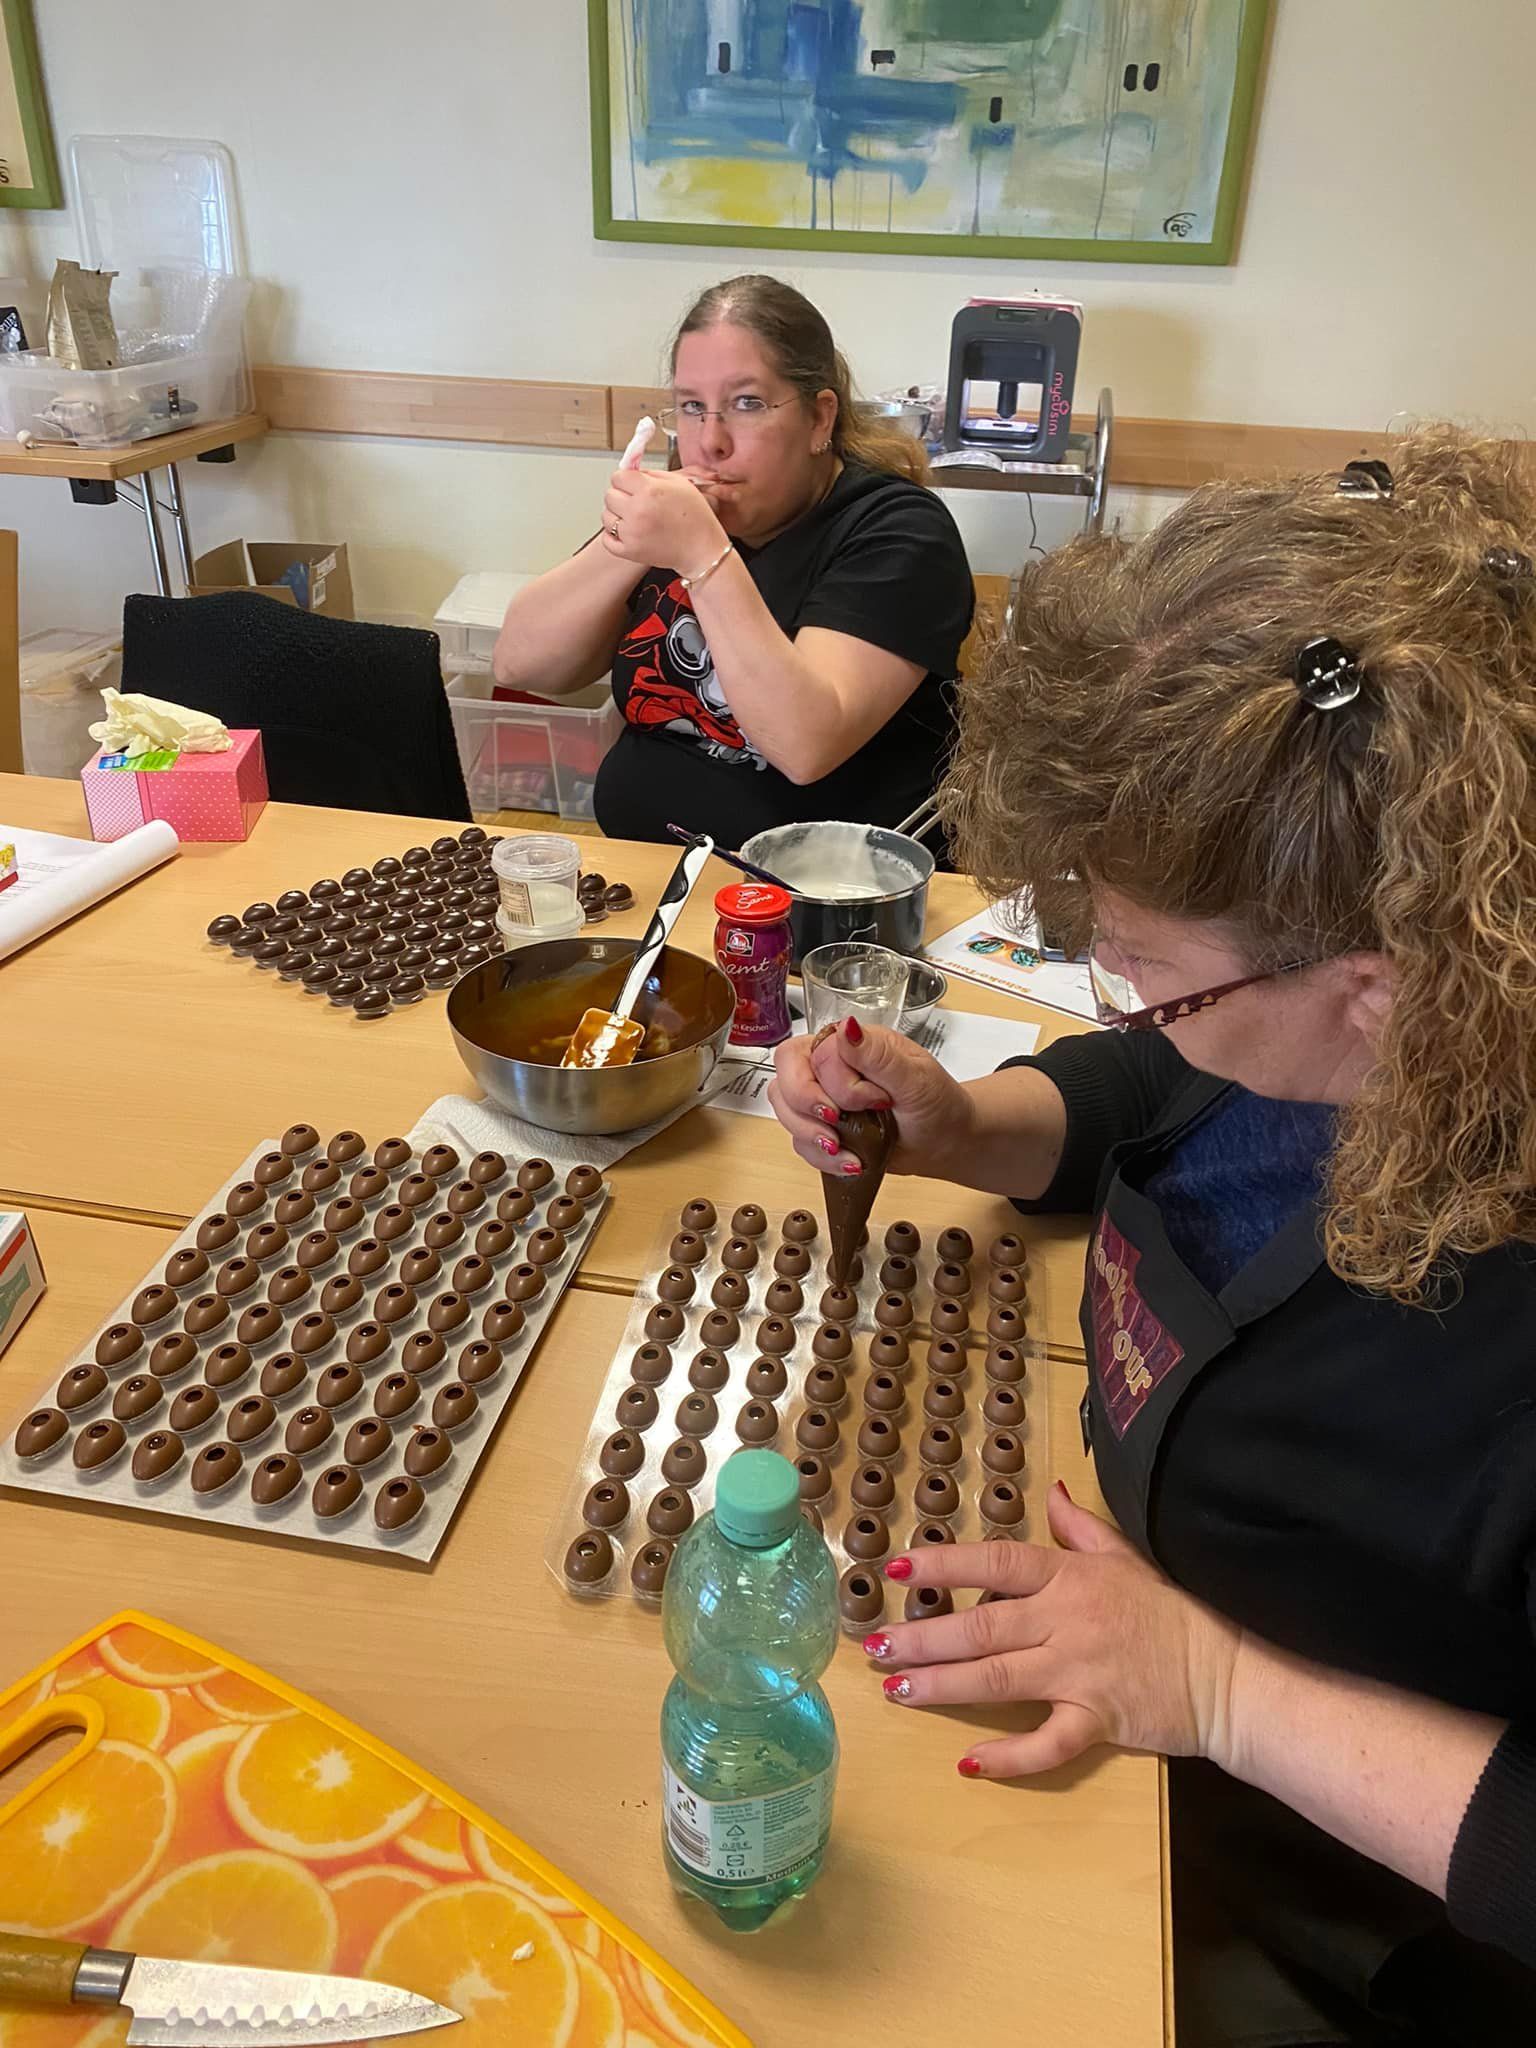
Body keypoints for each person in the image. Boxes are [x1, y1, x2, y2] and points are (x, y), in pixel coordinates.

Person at [769, 429, 1536, 2045]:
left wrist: (1219, 1687)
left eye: (1144, 968)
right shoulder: (1324, 1009)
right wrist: (972, 1124)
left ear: (1383, 988)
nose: (1121, 999)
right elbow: (1167, 1084)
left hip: (1345, 1901)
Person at [493, 274, 973, 846]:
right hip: (644, 863)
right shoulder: (680, 512)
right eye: (692, 407)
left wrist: (703, 555)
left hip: (825, 883)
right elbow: (520, 664)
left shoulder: (898, 530)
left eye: (747, 403)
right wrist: (627, 541)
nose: (711, 440)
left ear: (819, 419)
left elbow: (805, 745)